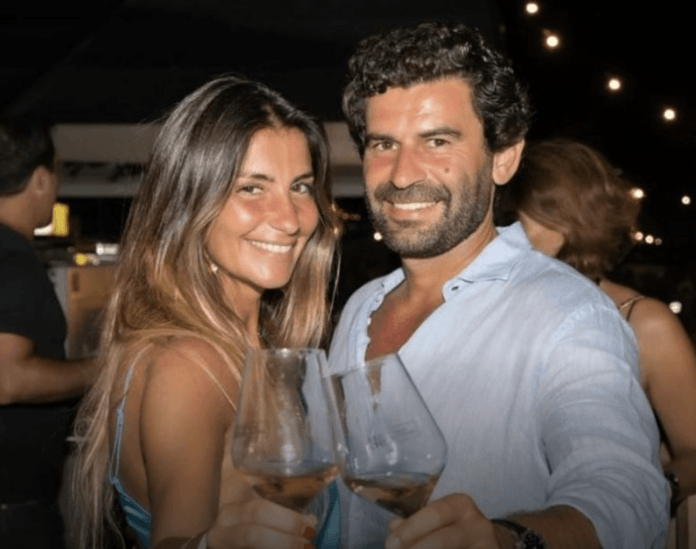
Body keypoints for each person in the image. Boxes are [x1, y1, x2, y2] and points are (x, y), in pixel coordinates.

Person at [328, 21, 669, 549]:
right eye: (382, 144)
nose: (400, 174)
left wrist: (507, 539)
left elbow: (624, 492)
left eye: (436, 140)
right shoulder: (357, 308)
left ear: (504, 158)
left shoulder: (569, 313)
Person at [69, 76, 341, 549]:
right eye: (251, 188)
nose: (291, 218)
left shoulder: (254, 347)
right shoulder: (190, 364)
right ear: (191, 204)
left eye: (300, 187)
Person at [503, 137, 696, 512]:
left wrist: (647, 494)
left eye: (517, 219)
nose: (504, 233)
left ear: (572, 218)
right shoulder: (494, 309)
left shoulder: (644, 322)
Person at [0, 115, 97, 549]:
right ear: (40, 178)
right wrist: (104, 367)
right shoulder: (13, 261)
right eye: (57, 172)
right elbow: (7, 378)